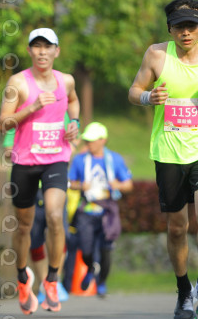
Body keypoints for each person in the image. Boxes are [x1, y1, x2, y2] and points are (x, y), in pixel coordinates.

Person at [129, 0, 198, 319]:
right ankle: (184, 292)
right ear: (170, 30)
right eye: (178, 27)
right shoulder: (157, 55)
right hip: (169, 150)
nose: (185, 32)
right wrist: (148, 96)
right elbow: (134, 91)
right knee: (176, 227)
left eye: (191, 26)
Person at [0, 28, 80, 314]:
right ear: (30, 51)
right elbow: (3, 123)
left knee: (56, 217)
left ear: (57, 51)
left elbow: (72, 101)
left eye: (48, 47)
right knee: (24, 226)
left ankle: (52, 280)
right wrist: (31, 107)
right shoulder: (18, 83)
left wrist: (76, 123)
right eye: (37, 47)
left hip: (56, 157)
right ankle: (23, 278)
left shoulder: (65, 80)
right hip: (24, 162)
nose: (42, 52)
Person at [68, 122, 133, 297]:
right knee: (86, 249)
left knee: (106, 250)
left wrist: (118, 184)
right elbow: (70, 183)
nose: (88, 143)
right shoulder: (80, 160)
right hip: (87, 210)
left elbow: (128, 184)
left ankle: (102, 282)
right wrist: (81, 185)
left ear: (103, 140)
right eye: (87, 140)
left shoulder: (115, 159)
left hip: (108, 209)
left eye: (92, 140)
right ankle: (90, 269)